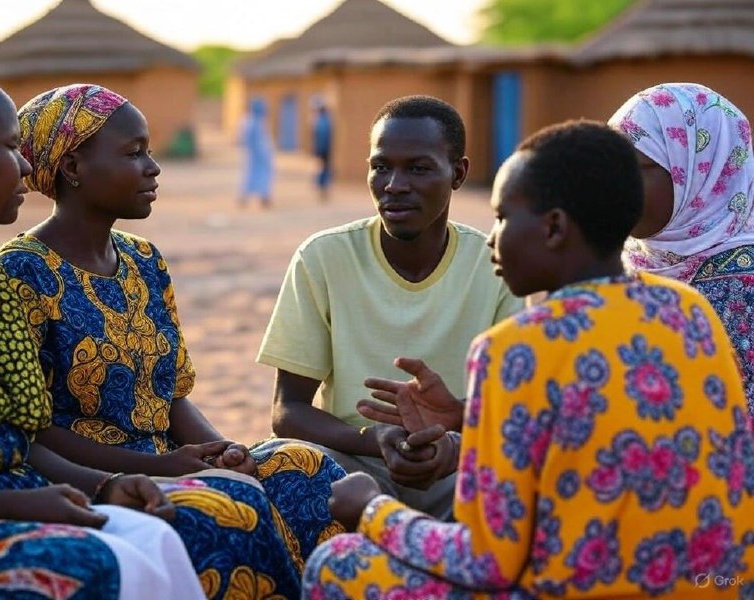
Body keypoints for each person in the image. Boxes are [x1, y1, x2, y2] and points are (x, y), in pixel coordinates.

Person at [302, 119, 754, 599]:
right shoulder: (688, 311)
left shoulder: (515, 348)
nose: (492, 239)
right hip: (717, 588)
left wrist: (372, 510)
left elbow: (487, 559)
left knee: (340, 563)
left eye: (501, 217)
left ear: (554, 227)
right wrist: (469, 417)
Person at [0, 83, 344, 599]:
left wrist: (220, 449)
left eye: (149, 151)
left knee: (306, 465)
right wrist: (162, 468)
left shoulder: (143, 260)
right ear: (72, 167)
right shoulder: (21, 273)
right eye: (135, 153)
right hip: (98, 478)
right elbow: (35, 432)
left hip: (169, 459)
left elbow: (172, 392)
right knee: (226, 507)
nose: (154, 167)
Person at [0, 60, 204, 600]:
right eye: (7, 148)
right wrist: (22, 502)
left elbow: (18, 437)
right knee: (106, 558)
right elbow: (42, 434)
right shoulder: (20, 270)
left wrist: (107, 485)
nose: (24, 167)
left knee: (157, 542)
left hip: (21, 483)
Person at [256, 95, 522, 519]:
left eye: (418, 168)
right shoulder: (323, 257)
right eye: (381, 167)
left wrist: (452, 442)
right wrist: (373, 439)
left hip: (459, 466)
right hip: (353, 464)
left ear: (458, 173)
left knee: (529, 487)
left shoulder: (496, 264)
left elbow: (517, 413)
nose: (395, 184)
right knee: (278, 463)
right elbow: (289, 411)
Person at [608, 83, 754, 415]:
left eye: (633, 170)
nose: (614, 188)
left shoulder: (744, 290)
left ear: (695, 173)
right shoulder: (622, 262)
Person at [238, 97, 274, 208]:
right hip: (257, 155)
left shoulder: (252, 121)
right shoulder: (252, 123)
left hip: (258, 155)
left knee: (256, 175)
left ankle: (262, 197)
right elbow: (249, 140)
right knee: (256, 176)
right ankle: (258, 197)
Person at [312, 102, 333, 201]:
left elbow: (317, 137)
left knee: (321, 168)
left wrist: (317, 150)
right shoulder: (327, 121)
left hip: (321, 149)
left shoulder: (319, 121)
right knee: (324, 168)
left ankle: (321, 187)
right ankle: (323, 187)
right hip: (326, 149)